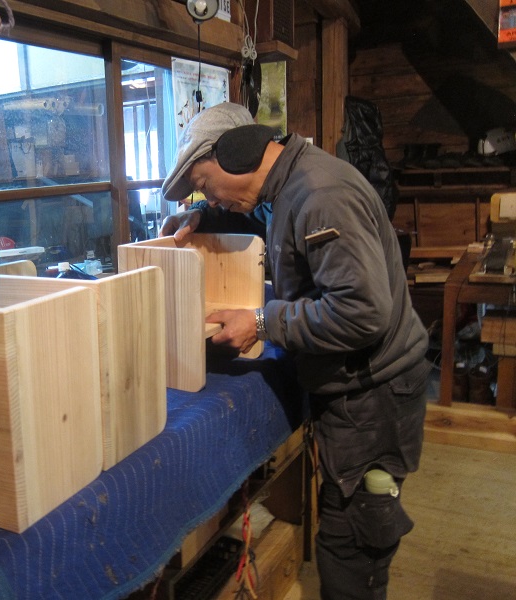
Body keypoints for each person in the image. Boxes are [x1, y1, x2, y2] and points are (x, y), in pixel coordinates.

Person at [160, 102, 430, 600]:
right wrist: (203, 215)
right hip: (358, 388)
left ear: (235, 154)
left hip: (374, 398)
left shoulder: (323, 195)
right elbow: (271, 222)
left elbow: (361, 313)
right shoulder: (289, 184)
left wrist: (263, 322)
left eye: (204, 185)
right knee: (344, 527)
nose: (209, 197)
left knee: (352, 544)